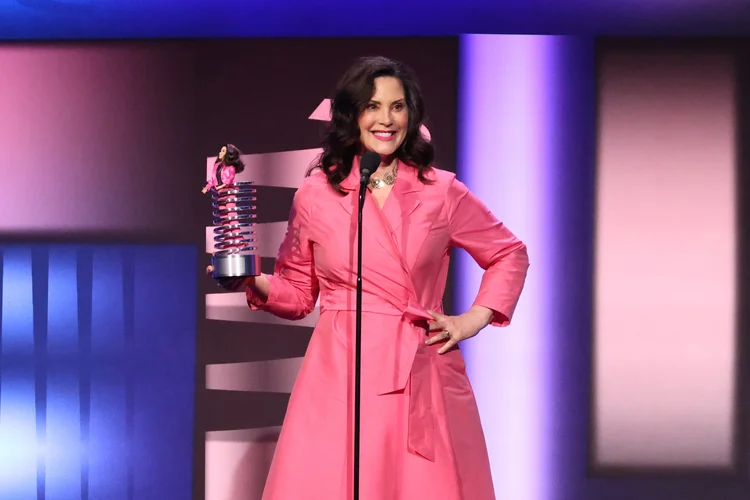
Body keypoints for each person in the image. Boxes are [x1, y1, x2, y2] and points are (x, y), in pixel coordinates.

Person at [207, 56, 529, 500]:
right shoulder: (316, 195)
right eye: (373, 106)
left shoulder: (441, 192)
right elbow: (299, 292)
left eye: (398, 107)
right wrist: (251, 282)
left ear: (411, 115)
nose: (386, 119)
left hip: (419, 370)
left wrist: (471, 319)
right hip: (340, 370)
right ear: (351, 114)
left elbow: (509, 252)